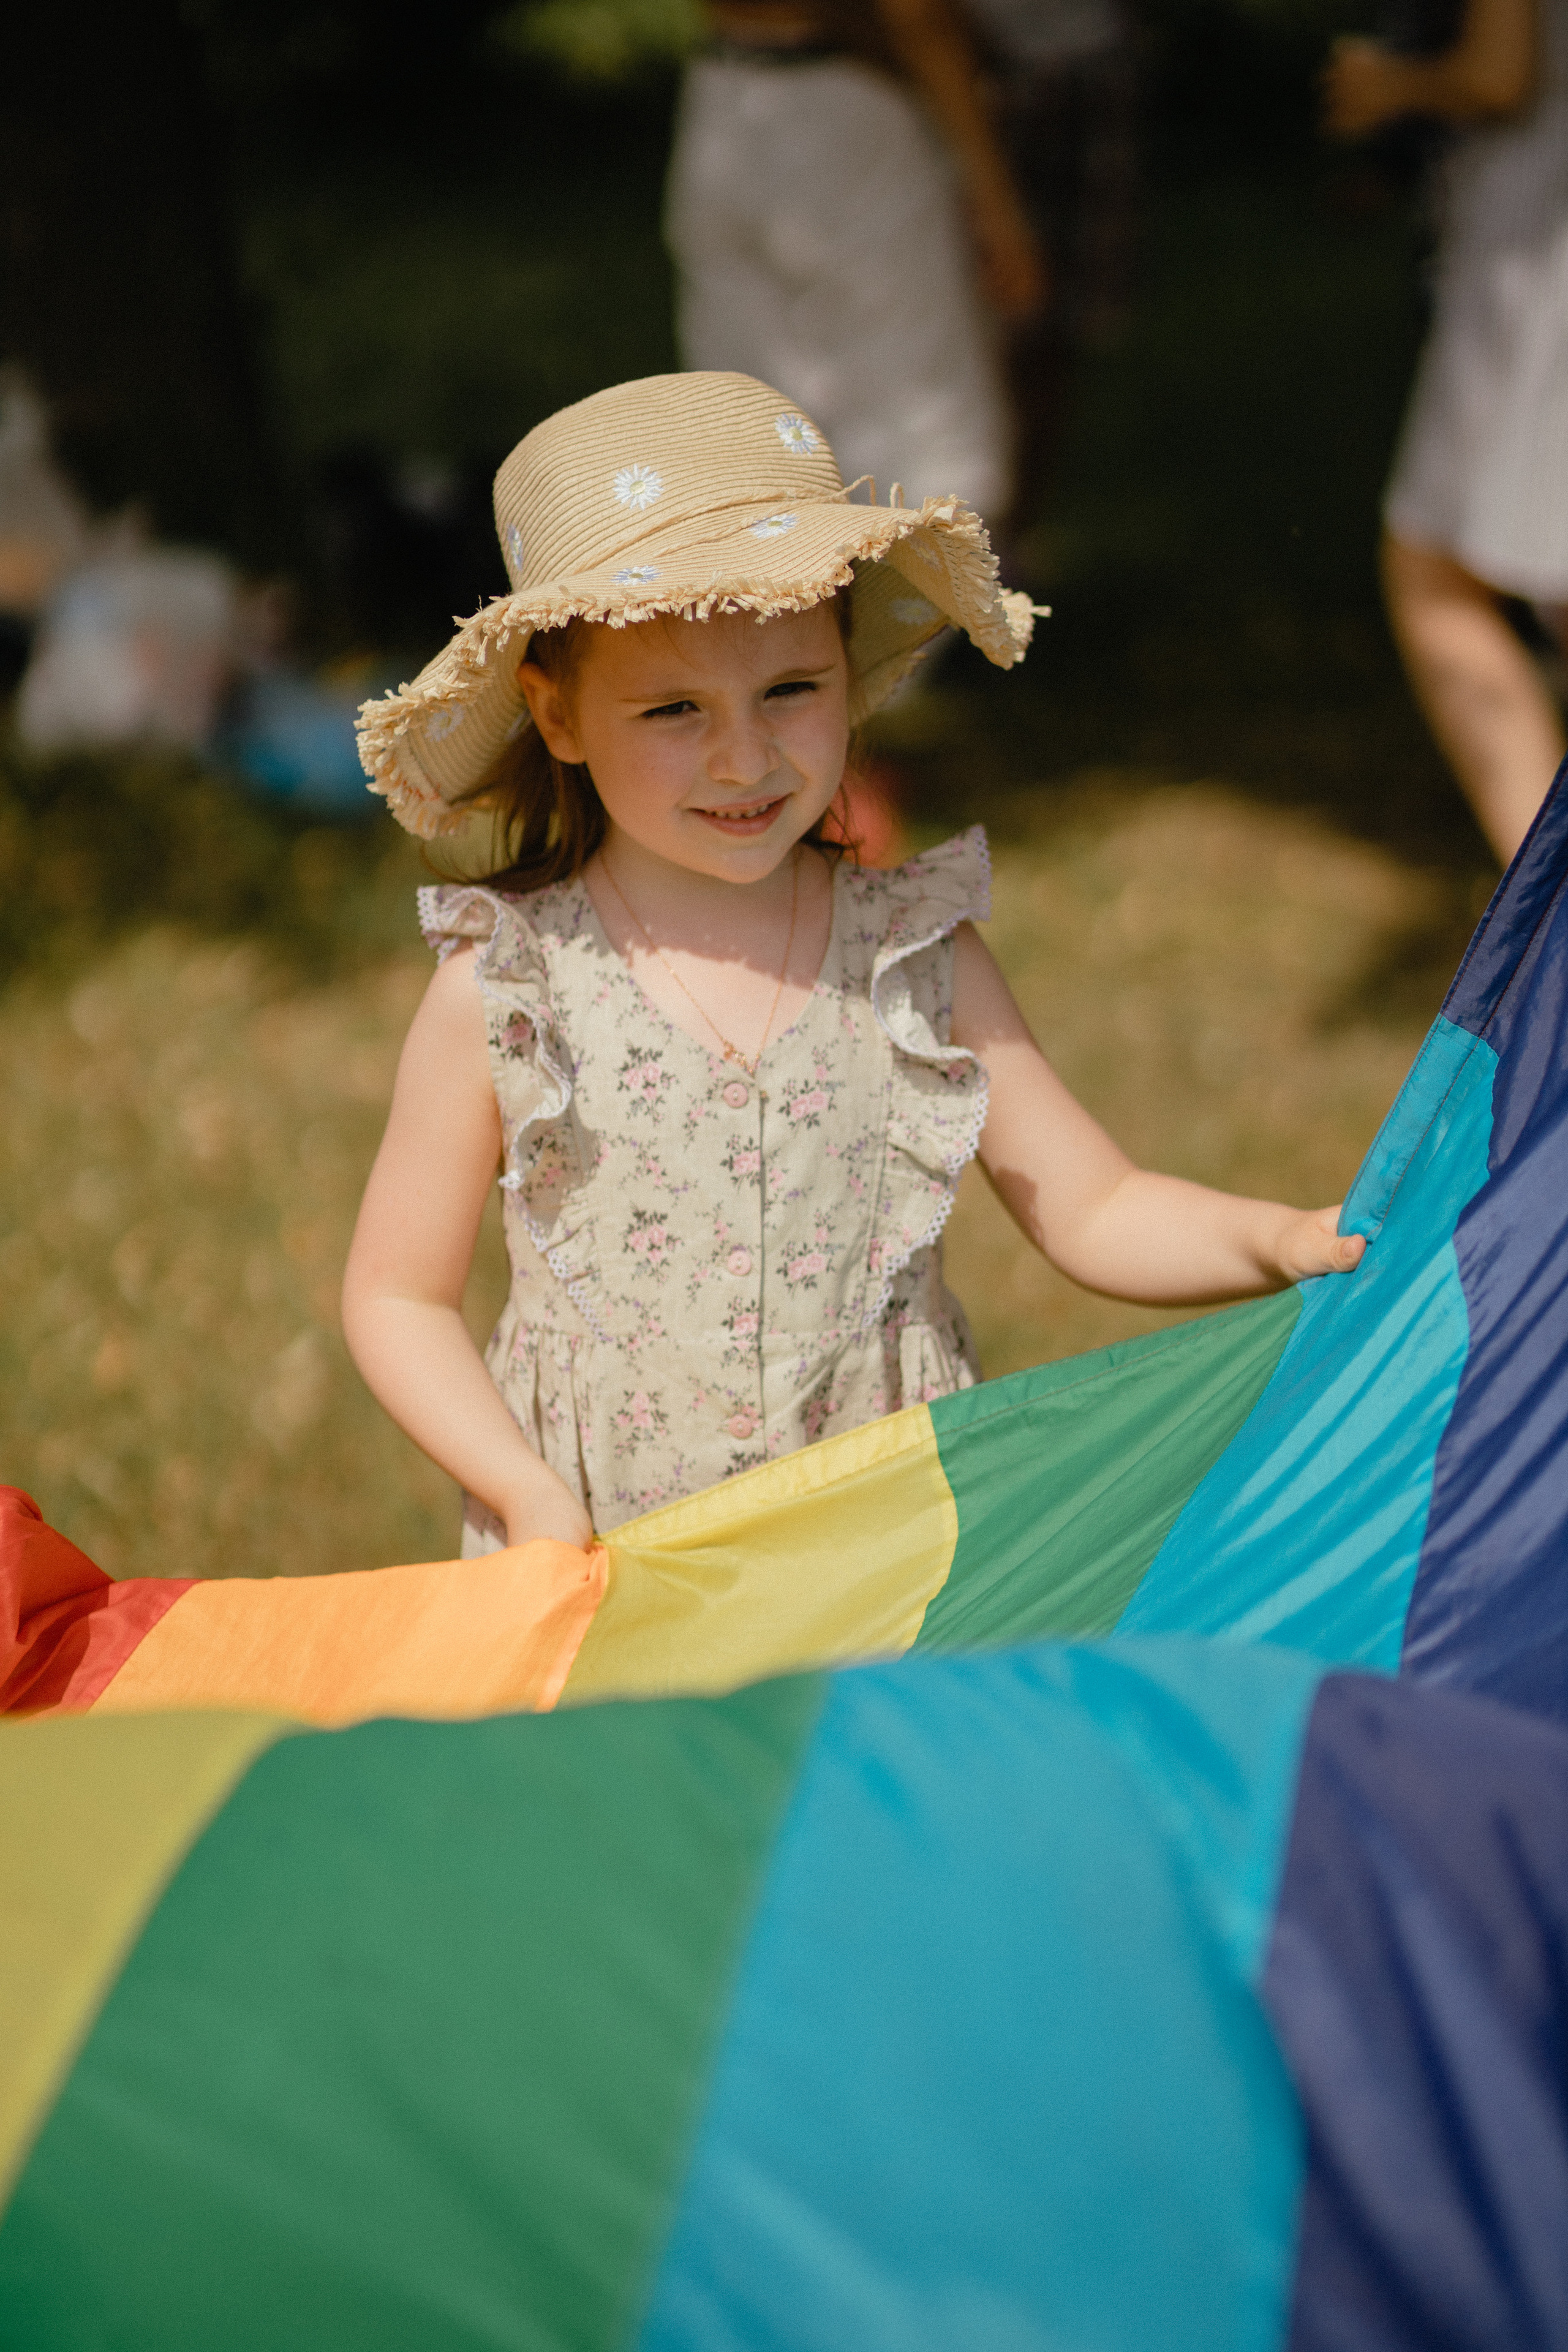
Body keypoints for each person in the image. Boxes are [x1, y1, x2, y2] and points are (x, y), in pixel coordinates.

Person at [345, 371, 1363, 1551]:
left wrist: (1281, 1239)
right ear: (560, 717)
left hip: (886, 1557)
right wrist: (523, 1490)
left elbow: (1096, 1206)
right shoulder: (510, 987)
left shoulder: (913, 958)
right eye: (672, 712)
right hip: (608, 1564)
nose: (743, 757)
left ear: (849, 671)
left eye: (790, 690)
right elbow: (397, 1295)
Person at [1324, 0, 1568, 863]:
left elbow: (1499, 75)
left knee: (1435, 569)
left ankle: (1546, 928)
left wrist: (1388, 83)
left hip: (1541, 251)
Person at [665, 2, 1042, 524]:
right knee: (918, 412)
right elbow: (916, 16)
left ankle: (770, 590)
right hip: (843, 117)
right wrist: (994, 198)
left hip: (724, 97)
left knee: (750, 415)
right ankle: (929, 591)